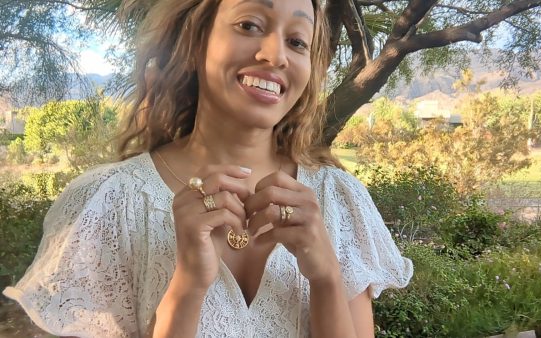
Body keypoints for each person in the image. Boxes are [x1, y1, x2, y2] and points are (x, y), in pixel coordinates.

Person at [2, 0, 413, 337]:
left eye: (297, 41)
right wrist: (188, 286)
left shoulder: (341, 200)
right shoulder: (105, 205)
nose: (274, 55)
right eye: (250, 25)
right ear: (196, 43)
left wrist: (326, 278)